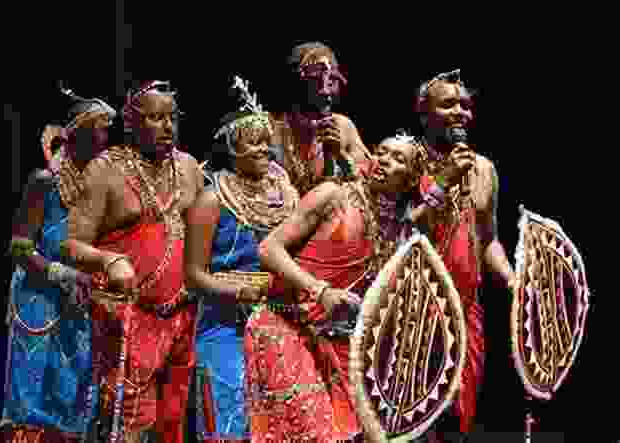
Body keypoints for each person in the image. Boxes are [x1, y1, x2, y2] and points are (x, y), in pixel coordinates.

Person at [247, 132, 426, 442]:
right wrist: (321, 291)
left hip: (339, 343)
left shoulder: (403, 231)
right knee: (314, 434)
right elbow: (268, 249)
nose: (384, 160)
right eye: (381, 151)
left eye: (398, 158)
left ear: (411, 180)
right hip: (285, 325)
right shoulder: (334, 195)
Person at [61, 80, 205, 443]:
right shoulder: (104, 170)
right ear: (131, 122)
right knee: (129, 425)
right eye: (156, 118)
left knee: (173, 422)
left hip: (182, 316)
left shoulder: (189, 168)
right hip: (127, 317)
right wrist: (108, 259)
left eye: (172, 117)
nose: (167, 127)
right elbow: (72, 245)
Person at [184, 76, 300, 443]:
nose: (265, 149)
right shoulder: (212, 199)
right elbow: (193, 276)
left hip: (280, 320)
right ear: (233, 148)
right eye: (254, 142)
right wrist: (239, 292)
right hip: (224, 326)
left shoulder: (286, 192)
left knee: (281, 424)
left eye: (268, 141)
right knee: (230, 423)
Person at [0, 85, 117, 442]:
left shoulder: (102, 186)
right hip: (38, 299)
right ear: (75, 132)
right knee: (32, 394)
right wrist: (58, 272)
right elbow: (18, 247)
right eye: (98, 126)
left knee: (72, 395)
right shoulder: (45, 181)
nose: (106, 135)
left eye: (108, 128)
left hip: (78, 300)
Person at [413, 69, 516, 442]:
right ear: (423, 111)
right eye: (448, 104)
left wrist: (512, 279)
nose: (460, 112)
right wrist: (443, 181)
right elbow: (395, 229)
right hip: (414, 307)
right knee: (414, 414)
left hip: (466, 306)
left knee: (458, 418)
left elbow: (487, 239)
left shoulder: (484, 169)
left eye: (465, 105)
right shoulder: (402, 160)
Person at [269, 41, 373, 196]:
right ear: (295, 83)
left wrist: (340, 155)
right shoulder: (271, 128)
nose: (325, 91)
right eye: (314, 82)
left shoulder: (344, 126)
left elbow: (369, 186)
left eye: (331, 81)